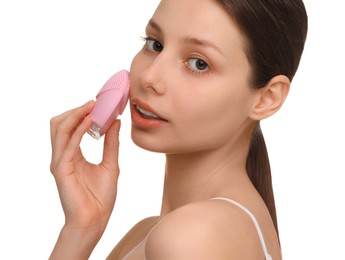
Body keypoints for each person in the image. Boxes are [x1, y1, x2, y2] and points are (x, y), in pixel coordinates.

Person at [49, 0, 308, 259]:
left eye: (198, 64)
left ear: (267, 98)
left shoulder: (190, 237)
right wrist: (81, 227)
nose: (149, 76)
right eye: (154, 44)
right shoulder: (147, 232)